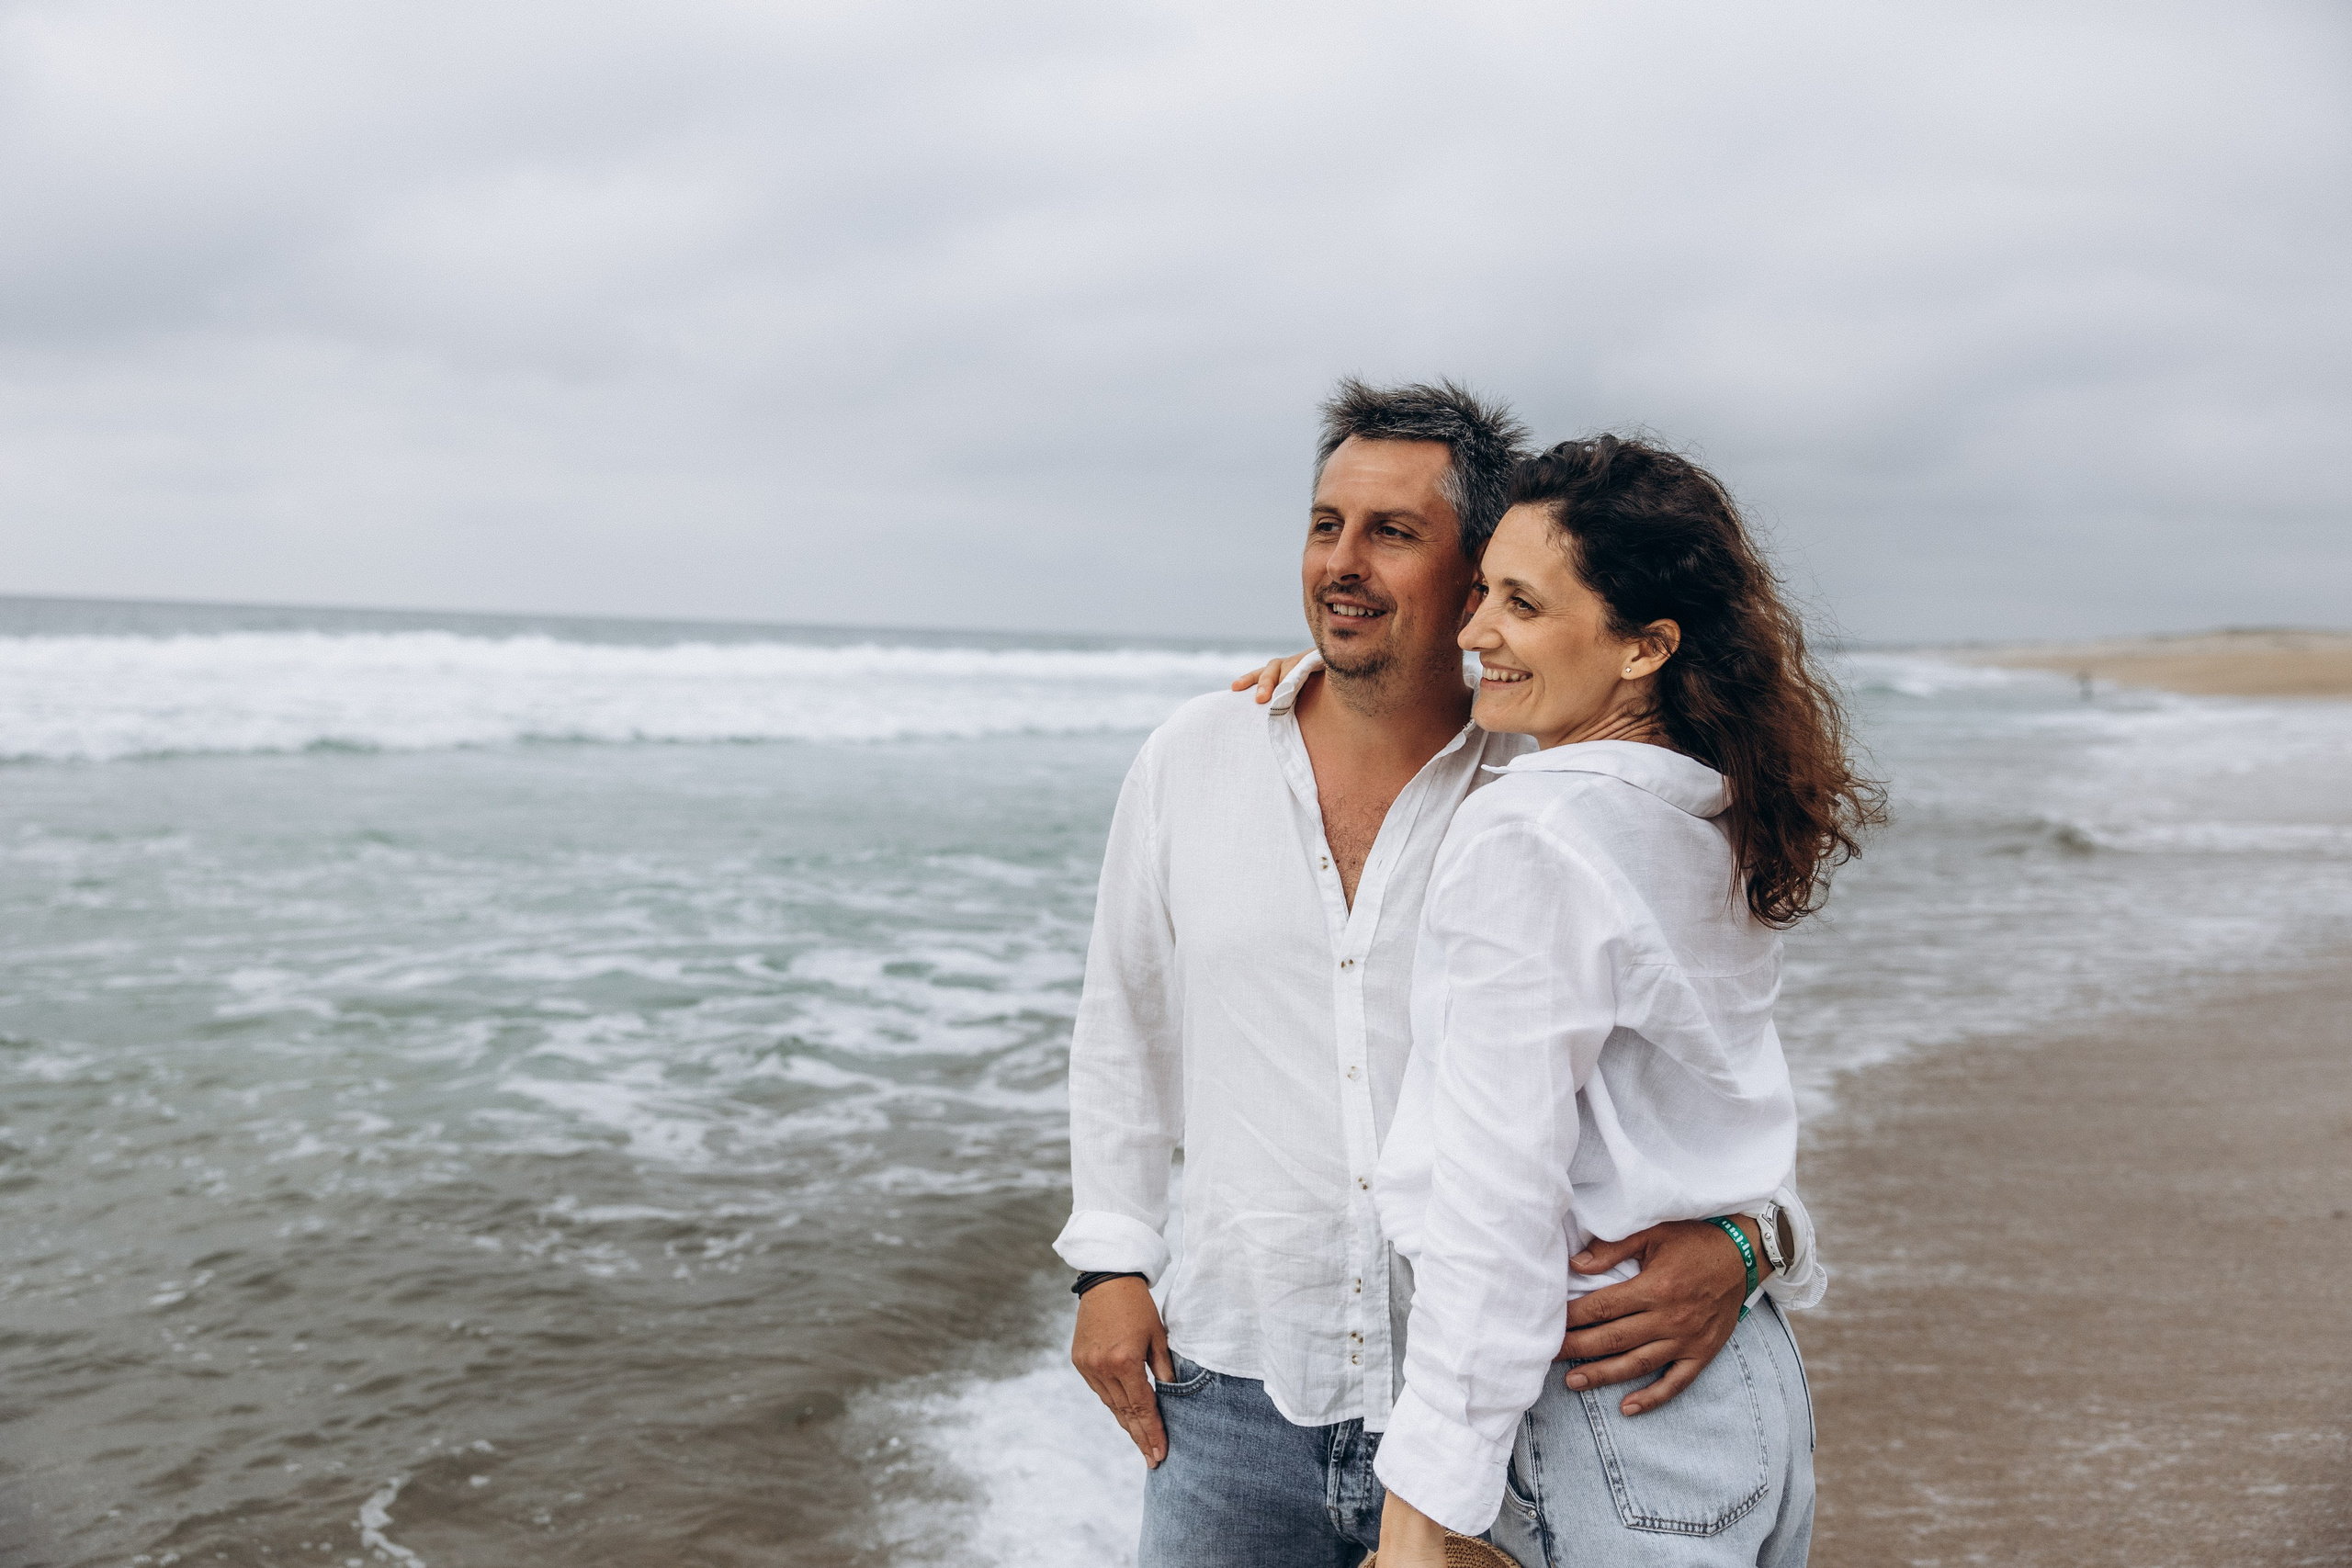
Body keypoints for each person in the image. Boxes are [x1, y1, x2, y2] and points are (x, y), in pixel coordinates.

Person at [1055, 382, 1824, 1567]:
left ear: (1474, 579)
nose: (1342, 566)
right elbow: (1123, 1026)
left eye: (1393, 534)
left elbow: (1689, 1077)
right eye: (1325, 526)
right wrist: (1109, 1263)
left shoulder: (1549, 787)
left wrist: (1751, 1240)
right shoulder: (1191, 759)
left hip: (1503, 1415)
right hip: (1237, 1383)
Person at [1367, 436, 1883, 1567]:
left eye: (1521, 604)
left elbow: (1497, 1198)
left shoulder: (1535, 830)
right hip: (1744, 1386)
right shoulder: (1705, 815)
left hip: (1604, 1406)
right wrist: (1758, 1243)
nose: (1472, 631)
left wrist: (1422, 1509)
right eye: (1479, 592)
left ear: (1645, 646)